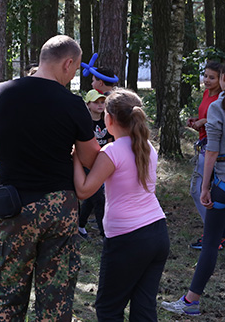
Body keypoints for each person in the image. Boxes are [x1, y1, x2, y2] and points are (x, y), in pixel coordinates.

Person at [0, 34, 100, 321]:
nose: (72, 76)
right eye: (75, 69)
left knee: (6, 297)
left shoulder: (2, 93)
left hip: (14, 206)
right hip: (60, 208)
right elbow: (90, 157)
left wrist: (15, 164)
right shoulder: (72, 104)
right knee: (55, 299)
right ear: (68, 63)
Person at [162, 59, 225, 318]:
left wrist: (205, 186)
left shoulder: (221, 106)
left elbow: (212, 151)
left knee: (211, 241)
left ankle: (191, 300)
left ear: (224, 79)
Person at [73, 89, 169, 321]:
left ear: (109, 119)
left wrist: (75, 156)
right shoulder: (147, 147)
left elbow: (84, 191)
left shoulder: (112, 152)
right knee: (144, 309)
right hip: (157, 232)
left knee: (108, 309)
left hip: (127, 238)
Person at [186, 61, 225, 250]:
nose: (207, 80)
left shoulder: (222, 97)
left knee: (200, 190)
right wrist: (196, 121)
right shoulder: (206, 93)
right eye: (206, 76)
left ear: (221, 79)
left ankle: (215, 235)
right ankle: (215, 233)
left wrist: (205, 121)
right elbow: (205, 115)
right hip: (203, 145)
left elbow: (224, 119)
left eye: (212, 77)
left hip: (213, 148)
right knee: (201, 190)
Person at [78, 89, 114, 238]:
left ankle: (79, 225)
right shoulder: (84, 122)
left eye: (102, 102)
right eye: (96, 102)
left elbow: (111, 141)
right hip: (87, 164)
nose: (100, 105)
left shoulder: (107, 120)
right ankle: (105, 234)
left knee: (92, 198)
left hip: (103, 163)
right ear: (88, 104)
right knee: (99, 198)